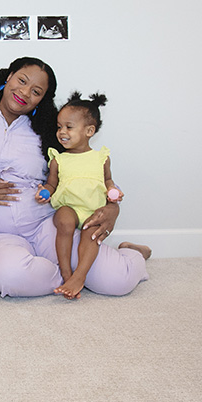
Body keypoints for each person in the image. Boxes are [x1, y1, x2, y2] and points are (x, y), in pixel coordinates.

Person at [0, 57, 151, 298]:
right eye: (21, 81)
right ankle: (69, 276)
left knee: (118, 280)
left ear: (42, 100)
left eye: (36, 91)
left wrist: (112, 208)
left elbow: (86, 172)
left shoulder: (49, 134)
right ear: (8, 77)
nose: (24, 92)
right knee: (13, 278)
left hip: (47, 227)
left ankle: (131, 253)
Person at [35, 91, 124, 300]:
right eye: (59, 127)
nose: (62, 132)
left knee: (91, 232)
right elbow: (51, 183)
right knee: (64, 221)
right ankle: (65, 271)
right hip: (69, 207)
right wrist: (45, 191)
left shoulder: (100, 158)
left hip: (93, 209)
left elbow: (108, 180)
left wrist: (113, 191)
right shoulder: (58, 159)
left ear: (89, 131)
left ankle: (80, 275)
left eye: (69, 127)